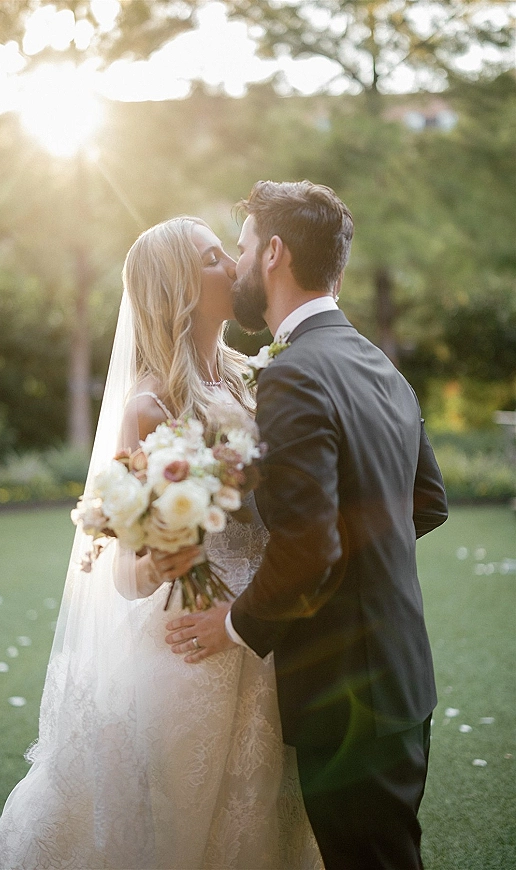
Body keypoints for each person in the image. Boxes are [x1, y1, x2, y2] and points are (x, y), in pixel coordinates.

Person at [0, 216, 322, 870]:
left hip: (254, 639)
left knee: (260, 816)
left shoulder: (245, 378)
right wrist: (167, 556)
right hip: (189, 651)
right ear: (180, 287)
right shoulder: (152, 404)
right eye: (215, 259)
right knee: (179, 826)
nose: (234, 268)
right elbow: (127, 574)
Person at [165, 182, 448, 870]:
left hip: (347, 692)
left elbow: (309, 548)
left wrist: (233, 623)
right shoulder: (375, 361)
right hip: (399, 676)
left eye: (239, 249)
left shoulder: (294, 375)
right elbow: (427, 501)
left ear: (273, 254)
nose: (234, 268)